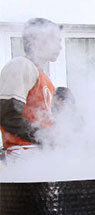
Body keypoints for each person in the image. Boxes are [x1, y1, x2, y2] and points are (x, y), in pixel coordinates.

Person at [0, 18, 61, 153]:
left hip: (38, 153)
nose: (59, 45)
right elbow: (8, 114)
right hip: (24, 154)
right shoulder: (21, 65)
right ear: (32, 41)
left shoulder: (43, 77)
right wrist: (46, 137)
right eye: (53, 38)